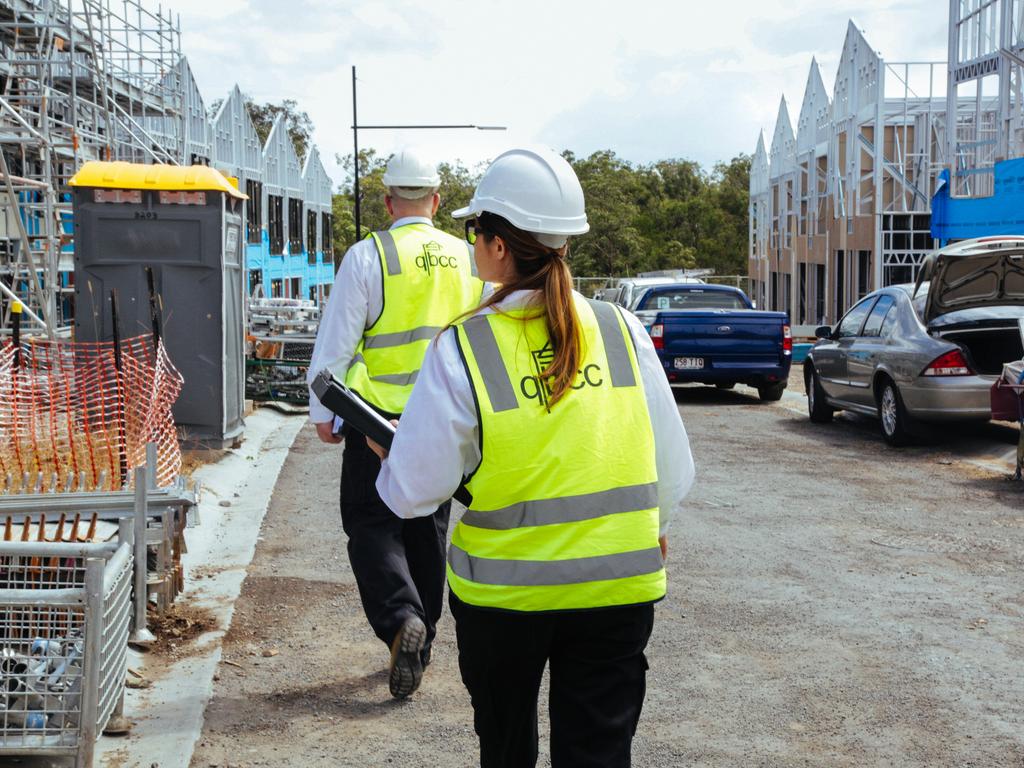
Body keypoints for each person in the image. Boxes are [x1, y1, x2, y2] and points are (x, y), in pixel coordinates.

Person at [370, 146, 695, 767]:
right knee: (598, 755)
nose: (471, 242)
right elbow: (673, 472)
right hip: (617, 591)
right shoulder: (623, 328)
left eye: (474, 230)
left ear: (496, 244)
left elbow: (412, 493)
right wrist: (656, 527)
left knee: (507, 747)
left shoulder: (464, 345)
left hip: (504, 602)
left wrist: (391, 449)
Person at [307, 147, 484, 699]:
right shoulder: (468, 257)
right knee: (428, 530)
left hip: (376, 421)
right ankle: (422, 637)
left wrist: (324, 415)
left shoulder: (369, 256)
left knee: (370, 523)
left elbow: (336, 344)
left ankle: (400, 618)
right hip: (445, 421)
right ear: (437, 200)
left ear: (387, 201)